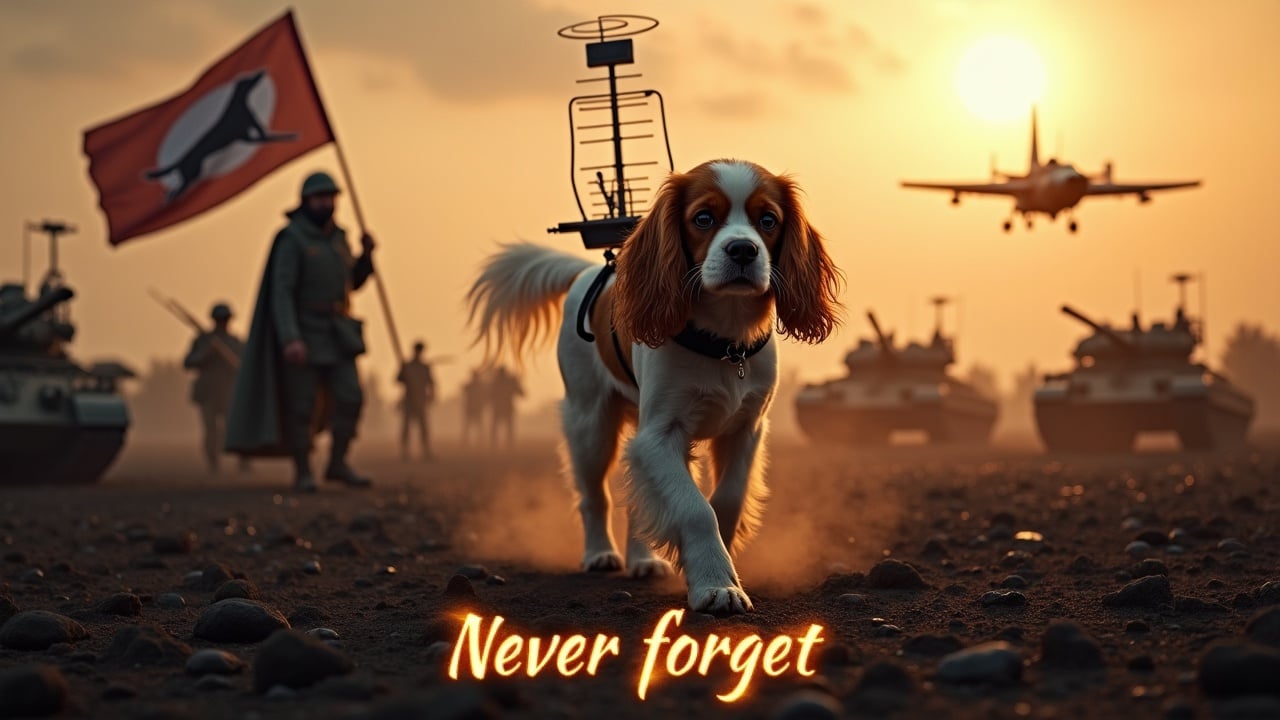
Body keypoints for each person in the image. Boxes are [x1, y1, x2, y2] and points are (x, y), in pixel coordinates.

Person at [225, 171, 376, 492]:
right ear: (306, 201)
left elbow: (352, 283)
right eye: (321, 198)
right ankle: (303, 470)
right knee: (301, 406)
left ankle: (337, 462)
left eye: (331, 198)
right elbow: (282, 292)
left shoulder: (339, 239)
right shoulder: (292, 239)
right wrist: (291, 337)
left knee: (350, 397)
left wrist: (366, 257)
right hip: (305, 331)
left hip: (338, 332)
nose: (327, 203)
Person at [183, 302, 246, 474]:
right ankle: (213, 463)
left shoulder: (235, 342)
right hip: (208, 392)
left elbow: (243, 367)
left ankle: (243, 461)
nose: (222, 323)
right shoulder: (202, 341)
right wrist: (207, 353)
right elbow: (188, 363)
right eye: (220, 319)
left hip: (229, 391)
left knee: (233, 427)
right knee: (211, 429)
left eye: (225, 319)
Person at [396, 340, 436, 460]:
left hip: (420, 400)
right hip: (409, 400)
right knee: (406, 427)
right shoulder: (407, 366)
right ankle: (405, 453)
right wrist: (404, 374)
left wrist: (431, 396)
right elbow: (398, 380)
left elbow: (431, 383)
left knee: (423, 427)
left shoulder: (425, 367)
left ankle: (426, 452)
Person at [488, 365, 524, 449]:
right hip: (506, 408)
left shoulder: (495, 382)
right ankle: (508, 446)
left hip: (500, 408)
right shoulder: (509, 382)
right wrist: (517, 382)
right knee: (507, 428)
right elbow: (521, 393)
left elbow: (489, 396)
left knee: (498, 428)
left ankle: (495, 447)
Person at [461, 367, 487, 448]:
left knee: (472, 425)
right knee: (473, 425)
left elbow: (464, 390)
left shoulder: (471, 385)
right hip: (474, 408)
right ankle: (468, 441)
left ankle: (473, 441)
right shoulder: (478, 386)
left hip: (473, 408)